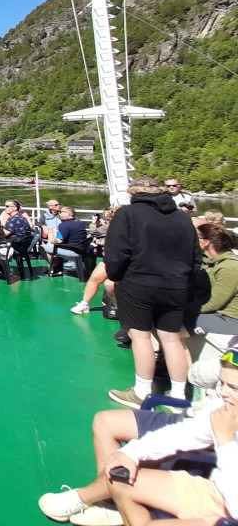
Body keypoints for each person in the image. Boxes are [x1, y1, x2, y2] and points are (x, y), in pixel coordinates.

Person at [37, 348, 238, 526]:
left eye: (234, 388)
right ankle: (108, 506)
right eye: (222, 384)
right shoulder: (224, 408)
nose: (223, 394)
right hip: (215, 491)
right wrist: (131, 453)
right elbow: (185, 433)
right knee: (119, 474)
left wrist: (225, 440)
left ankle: (88, 499)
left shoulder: (225, 426)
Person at [105, 177, 202, 409]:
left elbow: (117, 253)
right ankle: (179, 395)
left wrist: (117, 276)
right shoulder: (181, 217)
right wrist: (181, 279)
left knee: (141, 336)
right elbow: (195, 257)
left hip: (138, 283)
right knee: (172, 339)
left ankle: (141, 391)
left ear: (133, 194)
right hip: (177, 285)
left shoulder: (128, 214)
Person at [189, 223, 238, 337]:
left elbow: (214, 303)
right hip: (218, 314)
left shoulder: (229, 267)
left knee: (172, 331)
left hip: (230, 319)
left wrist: (182, 308)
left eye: (195, 237)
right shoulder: (209, 262)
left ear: (207, 243)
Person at [70, 208, 119, 315]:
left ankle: (124, 310)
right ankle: (84, 304)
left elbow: (94, 232)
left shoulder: (112, 227)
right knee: (95, 278)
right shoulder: (111, 227)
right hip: (111, 257)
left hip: (124, 258)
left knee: (111, 284)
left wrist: (93, 223)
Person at [44, 206, 90, 275]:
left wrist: (52, 240)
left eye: (61, 212)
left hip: (73, 250)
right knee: (57, 247)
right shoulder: (80, 223)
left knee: (43, 248)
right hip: (82, 248)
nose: (59, 214)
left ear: (68, 214)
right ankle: (58, 268)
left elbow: (59, 241)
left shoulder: (63, 225)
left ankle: (56, 268)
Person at [0, 199, 36, 279]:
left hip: (15, 247)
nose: (5, 208)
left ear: (15, 208)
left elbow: (3, 235)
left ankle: (1, 271)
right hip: (23, 246)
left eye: (7, 206)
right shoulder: (22, 217)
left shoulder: (13, 219)